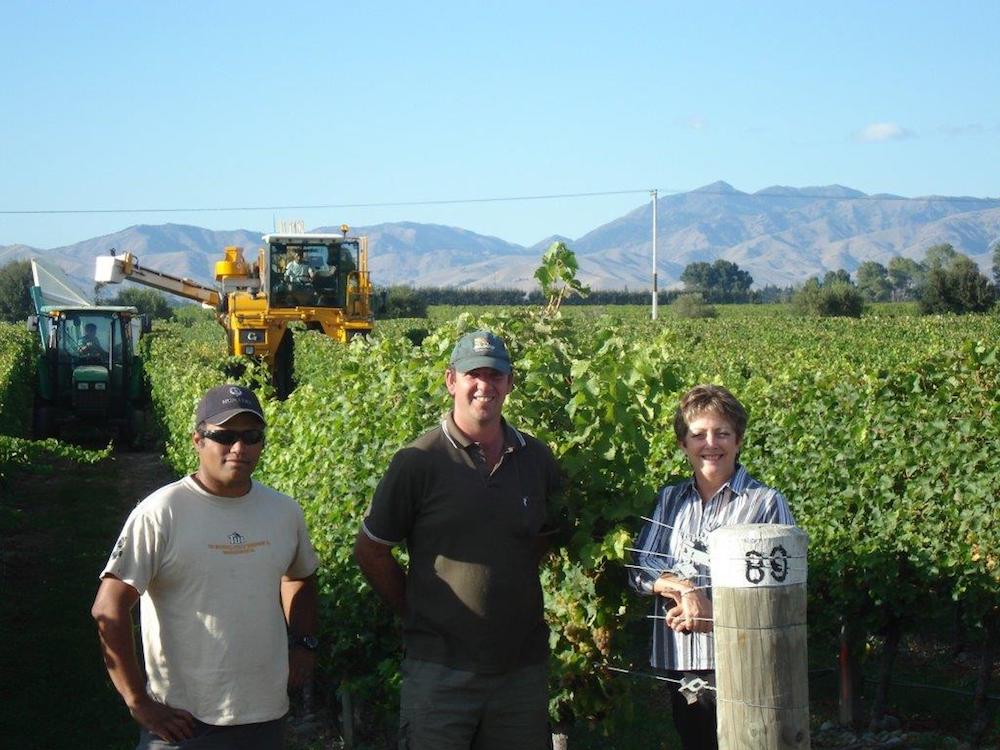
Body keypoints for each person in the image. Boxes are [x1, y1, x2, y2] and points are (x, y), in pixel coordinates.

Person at [354, 330, 562, 750]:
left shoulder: (537, 459)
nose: (484, 386)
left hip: (519, 672)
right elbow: (371, 551)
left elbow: (543, 539)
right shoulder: (419, 461)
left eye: (495, 375)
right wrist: (418, 609)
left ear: (510, 383)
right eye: (473, 375)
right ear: (452, 381)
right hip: (440, 673)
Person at [91, 384, 319, 749]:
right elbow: (108, 608)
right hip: (183, 723)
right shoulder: (161, 513)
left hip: (266, 717)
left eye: (251, 436)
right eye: (224, 436)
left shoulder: (283, 511)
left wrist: (304, 643)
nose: (239, 448)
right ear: (198, 440)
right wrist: (138, 702)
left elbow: (300, 576)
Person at [629, 384, 795, 750]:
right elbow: (640, 566)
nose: (711, 444)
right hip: (684, 660)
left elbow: (780, 596)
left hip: (747, 661)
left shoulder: (765, 503)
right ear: (683, 444)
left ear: (738, 440)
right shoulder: (669, 499)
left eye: (722, 433)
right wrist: (686, 590)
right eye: (698, 434)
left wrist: (717, 613)